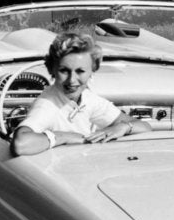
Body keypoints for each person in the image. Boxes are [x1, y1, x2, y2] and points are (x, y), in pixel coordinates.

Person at [11, 31, 150, 155]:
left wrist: (123, 127)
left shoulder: (87, 98)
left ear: (92, 71)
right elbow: (20, 144)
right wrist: (65, 136)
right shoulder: (47, 105)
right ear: (52, 70)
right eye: (64, 70)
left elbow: (145, 127)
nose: (72, 80)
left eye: (80, 71)